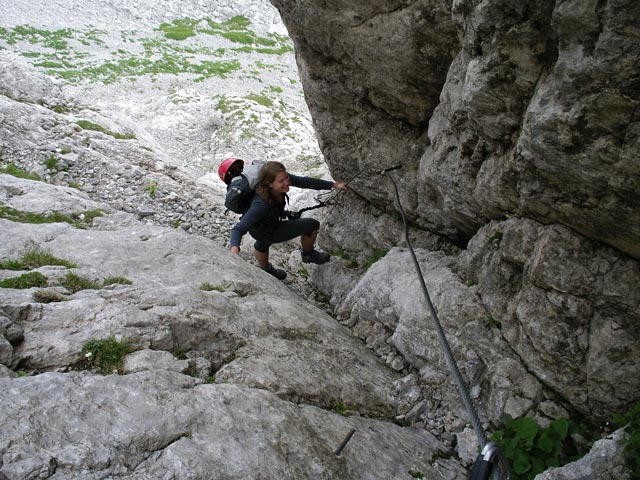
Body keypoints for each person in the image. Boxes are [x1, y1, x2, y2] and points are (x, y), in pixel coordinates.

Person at [227, 160, 347, 280]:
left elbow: (304, 181)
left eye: (286, 177)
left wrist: (333, 185)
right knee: (312, 225)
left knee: (262, 244)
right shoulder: (260, 205)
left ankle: (266, 270)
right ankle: (308, 254)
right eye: (282, 181)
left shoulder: (276, 182)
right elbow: (238, 229)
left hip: (260, 226)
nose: (287, 182)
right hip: (267, 230)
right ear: (270, 184)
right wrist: (234, 251)